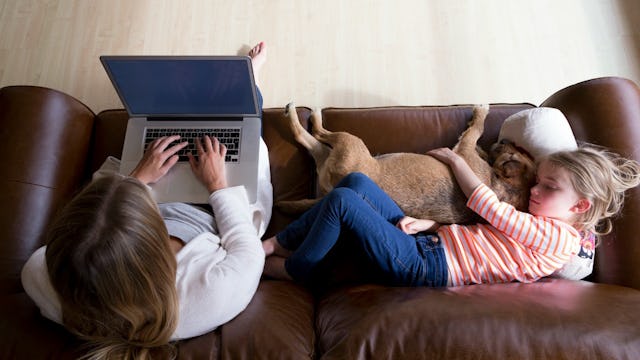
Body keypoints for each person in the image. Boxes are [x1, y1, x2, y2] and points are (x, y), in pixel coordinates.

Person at [21, 42, 271, 360]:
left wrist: (137, 178)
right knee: (242, 125)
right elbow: (247, 249)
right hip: (212, 211)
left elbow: (55, 253)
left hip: (155, 194)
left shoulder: (45, 280)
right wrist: (218, 185)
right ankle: (249, 81)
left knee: (160, 126)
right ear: (152, 249)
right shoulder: (205, 297)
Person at [263, 144, 640, 287]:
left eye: (549, 187)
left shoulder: (561, 238)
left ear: (580, 207)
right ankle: (276, 244)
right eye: (537, 182)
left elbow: (490, 209)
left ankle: (296, 267)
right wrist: (435, 224)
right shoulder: (541, 225)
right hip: (428, 242)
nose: (534, 191)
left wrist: (458, 161)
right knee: (357, 183)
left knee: (342, 204)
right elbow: (484, 236)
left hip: (425, 265)